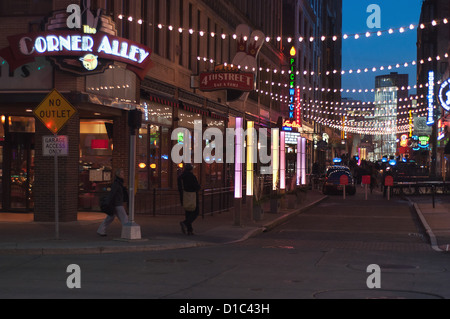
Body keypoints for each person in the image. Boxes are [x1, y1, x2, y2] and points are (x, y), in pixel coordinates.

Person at [97, 168, 129, 237]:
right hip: (117, 204)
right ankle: (127, 232)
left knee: (110, 218)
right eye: (122, 173)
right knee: (124, 218)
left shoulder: (118, 183)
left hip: (116, 203)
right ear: (118, 175)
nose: (123, 175)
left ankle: (101, 230)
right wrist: (108, 202)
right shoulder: (117, 184)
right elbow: (112, 194)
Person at [177, 163, 201, 235]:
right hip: (192, 196)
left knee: (188, 212)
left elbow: (179, 188)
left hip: (184, 196)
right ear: (191, 169)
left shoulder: (180, 177)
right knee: (195, 212)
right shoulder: (192, 176)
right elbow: (196, 187)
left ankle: (189, 230)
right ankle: (185, 223)